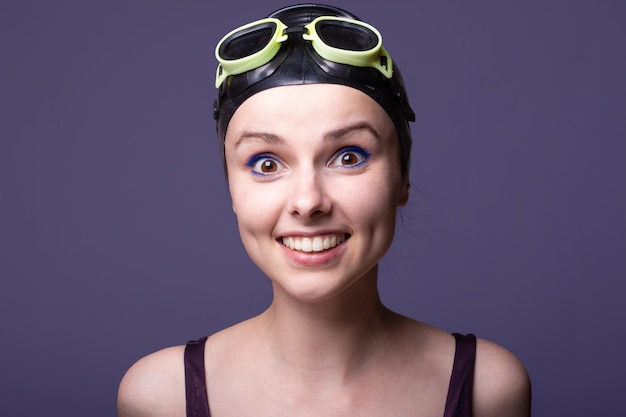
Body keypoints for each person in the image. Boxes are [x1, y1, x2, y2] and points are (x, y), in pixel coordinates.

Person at [117, 4, 531, 417]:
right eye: (266, 164)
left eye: (348, 157)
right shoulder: (159, 397)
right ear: (232, 189)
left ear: (403, 178)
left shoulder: (488, 389)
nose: (308, 202)